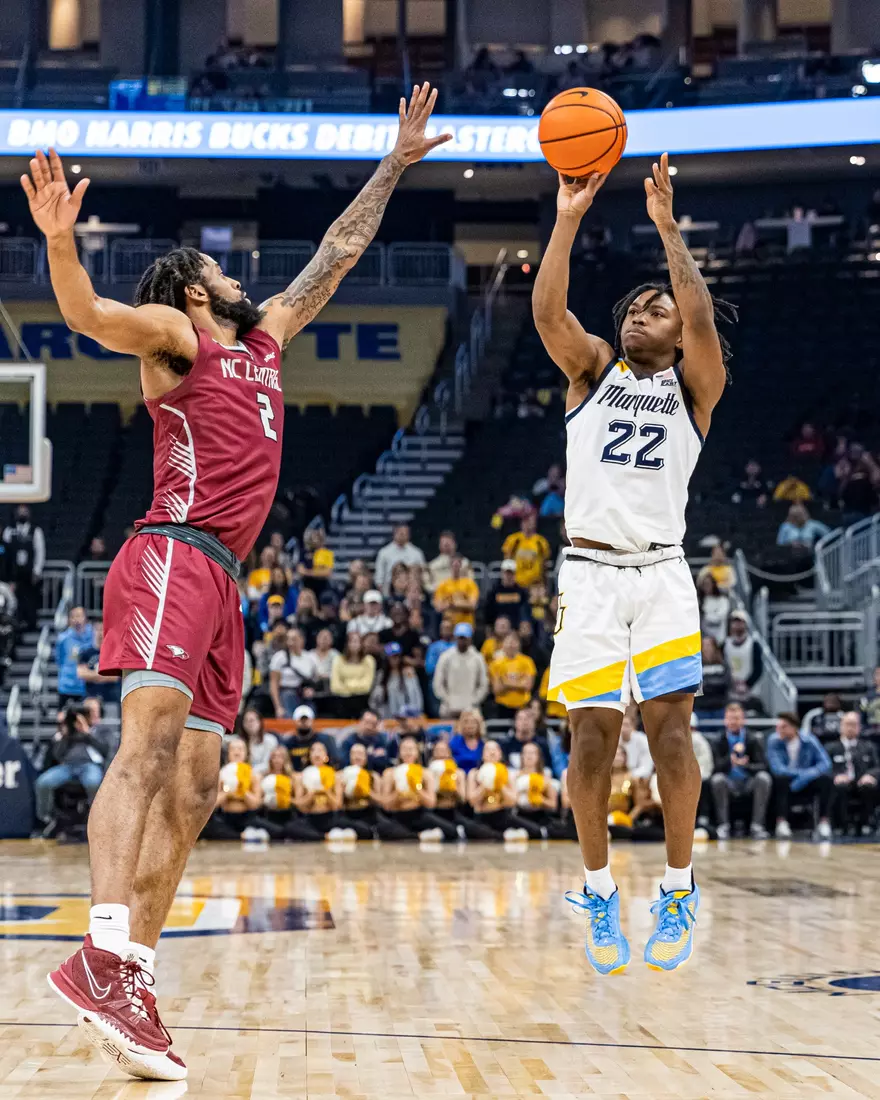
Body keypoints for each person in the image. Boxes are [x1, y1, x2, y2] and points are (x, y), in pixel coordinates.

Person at [26, 85, 451, 1079]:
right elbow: (88, 312)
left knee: (203, 781)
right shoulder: (177, 342)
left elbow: (336, 254)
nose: (236, 273)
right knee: (148, 747)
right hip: (171, 551)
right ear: (192, 292)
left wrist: (393, 164)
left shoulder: (263, 345)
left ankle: (130, 969)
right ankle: (96, 948)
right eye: (219, 268)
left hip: (224, 580)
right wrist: (58, 242)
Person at [535, 153, 738, 973]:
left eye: (654, 311)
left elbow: (696, 311)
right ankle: (598, 889)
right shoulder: (590, 372)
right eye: (633, 310)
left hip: (660, 573)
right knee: (592, 743)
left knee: (672, 736)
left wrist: (666, 229)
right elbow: (549, 311)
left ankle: (679, 887)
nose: (640, 317)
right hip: (587, 575)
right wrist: (568, 215)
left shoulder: (696, 390)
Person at [35, 705, 108, 827]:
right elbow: (57, 755)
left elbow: (104, 751)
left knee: (93, 783)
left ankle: (96, 818)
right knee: (42, 782)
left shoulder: (97, 731)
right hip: (67, 767)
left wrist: (86, 732)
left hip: (89, 766)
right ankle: (46, 818)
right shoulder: (66, 734)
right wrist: (65, 734)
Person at [709, 702, 771, 839]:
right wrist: (729, 761)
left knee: (764, 778)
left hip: (748, 781)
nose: (733, 722)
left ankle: (757, 826)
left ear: (743, 720)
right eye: (730, 718)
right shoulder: (718, 740)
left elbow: (763, 766)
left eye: (737, 718)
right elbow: (715, 767)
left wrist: (746, 766)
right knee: (717, 780)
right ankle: (723, 826)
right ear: (725, 720)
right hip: (728, 782)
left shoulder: (753, 739)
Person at [766, 712, 833, 840]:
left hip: (806, 781)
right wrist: (803, 774)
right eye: (778, 726)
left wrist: (806, 776)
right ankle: (782, 822)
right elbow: (778, 769)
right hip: (787, 781)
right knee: (781, 780)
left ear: (794, 727)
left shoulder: (809, 740)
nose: (778, 730)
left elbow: (826, 763)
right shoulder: (773, 741)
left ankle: (823, 822)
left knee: (826, 780)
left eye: (783, 727)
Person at [379, 735, 458, 840]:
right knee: (382, 829)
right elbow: (385, 805)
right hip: (398, 815)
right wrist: (398, 794)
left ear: (417, 752)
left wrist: (417, 788)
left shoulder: (425, 773)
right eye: (405, 749)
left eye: (411, 749)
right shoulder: (390, 773)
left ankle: (411, 835)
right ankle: (418, 836)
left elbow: (431, 803)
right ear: (399, 753)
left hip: (419, 814)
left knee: (451, 831)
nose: (408, 752)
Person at [826, 711, 879, 835]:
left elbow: (877, 766)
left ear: (859, 727)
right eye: (847, 724)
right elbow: (824, 767)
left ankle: (865, 824)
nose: (850, 728)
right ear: (841, 726)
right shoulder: (830, 747)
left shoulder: (869, 747)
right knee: (840, 787)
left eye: (854, 724)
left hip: (861, 782)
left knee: (869, 787)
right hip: (841, 783)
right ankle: (841, 825)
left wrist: (870, 775)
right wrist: (836, 776)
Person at [432, 623, 489, 719]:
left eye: (464, 638)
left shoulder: (478, 658)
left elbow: (484, 684)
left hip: (471, 707)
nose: (462, 641)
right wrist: (447, 699)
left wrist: (474, 701)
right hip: (449, 707)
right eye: (460, 638)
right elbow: (438, 683)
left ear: (470, 639)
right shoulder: (445, 657)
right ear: (455, 638)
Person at [2, 504, 45, 630]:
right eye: (20, 511)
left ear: (29, 513)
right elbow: (6, 554)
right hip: (14, 574)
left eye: (24, 511)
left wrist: (37, 571)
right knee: (15, 600)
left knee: (31, 599)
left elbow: (40, 552)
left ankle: (32, 623)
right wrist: (8, 576)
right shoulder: (9, 531)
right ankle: (16, 625)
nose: (22, 514)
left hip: (30, 573)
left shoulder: (36, 530)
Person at [268, 627, 317, 718]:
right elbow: (273, 684)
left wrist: (311, 689)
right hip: (286, 694)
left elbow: (313, 681)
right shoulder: (280, 657)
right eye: (288, 639)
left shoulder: (310, 658)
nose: (290, 643)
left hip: (304, 696)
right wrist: (278, 707)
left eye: (294, 639)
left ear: (302, 640)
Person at [76, 621, 122, 715]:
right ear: (93, 631)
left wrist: (92, 675)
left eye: (103, 629)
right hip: (90, 699)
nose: (100, 632)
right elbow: (81, 674)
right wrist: (104, 675)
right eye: (97, 629)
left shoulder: (114, 651)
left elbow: (115, 676)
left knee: (111, 726)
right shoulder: (86, 652)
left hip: (111, 699)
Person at [488, 633, 536, 720]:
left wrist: (506, 683)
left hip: (523, 705)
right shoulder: (496, 664)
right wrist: (519, 683)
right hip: (502, 707)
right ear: (503, 644)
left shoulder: (527, 661)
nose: (511, 645)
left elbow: (528, 686)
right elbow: (497, 689)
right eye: (508, 642)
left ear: (519, 644)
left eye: (514, 642)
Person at [330, 632, 376, 719]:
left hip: (361, 700)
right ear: (347, 644)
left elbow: (366, 687)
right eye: (351, 641)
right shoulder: (338, 659)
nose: (354, 644)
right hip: (341, 702)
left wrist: (346, 683)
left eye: (357, 641)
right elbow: (335, 687)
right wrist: (356, 684)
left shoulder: (369, 660)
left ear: (361, 644)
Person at [55, 607, 94, 708]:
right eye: (73, 616)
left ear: (85, 618)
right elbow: (59, 660)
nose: (76, 619)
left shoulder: (93, 636)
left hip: (87, 687)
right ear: (69, 619)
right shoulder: (63, 639)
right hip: (67, 686)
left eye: (79, 616)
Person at [501, 510, 551, 590]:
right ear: (522, 522)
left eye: (531, 521)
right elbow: (507, 561)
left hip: (535, 585)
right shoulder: (513, 540)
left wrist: (545, 584)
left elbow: (544, 564)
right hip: (517, 584)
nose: (529, 524)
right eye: (526, 521)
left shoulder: (541, 541)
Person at [281, 704, 338, 772]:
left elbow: (335, 762)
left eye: (306, 719)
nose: (304, 723)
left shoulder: (325, 740)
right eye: (301, 720)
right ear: (295, 721)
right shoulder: (288, 743)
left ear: (312, 720)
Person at [340, 709, 397, 774]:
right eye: (366, 722)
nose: (369, 727)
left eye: (373, 724)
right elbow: (344, 762)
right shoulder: (349, 741)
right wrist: (371, 756)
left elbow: (386, 762)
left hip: (376, 776)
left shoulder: (382, 740)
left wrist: (361, 758)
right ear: (360, 722)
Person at [723, 612, 763, 705]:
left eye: (740, 622)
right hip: (731, 692)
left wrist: (747, 684)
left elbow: (758, 669)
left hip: (751, 693)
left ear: (746, 624)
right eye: (734, 622)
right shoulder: (725, 644)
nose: (737, 625)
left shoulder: (753, 644)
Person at [374, 524, 426, 593]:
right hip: (389, 590)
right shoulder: (384, 552)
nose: (403, 535)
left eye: (405, 533)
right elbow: (379, 578)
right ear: (394, 533)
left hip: (412, 590)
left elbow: (423, 574)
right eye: (401, 533)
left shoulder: (417, 553)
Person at [432, 554, 479, 628]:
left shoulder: (470, 584)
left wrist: (452, 604)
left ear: (461, 566)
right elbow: (438, 607)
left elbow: (473, 605)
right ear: (450, 566)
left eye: (458, 565)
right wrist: (460, 603)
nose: (455, 568)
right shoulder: (443, 585)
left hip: (466, 623)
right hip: (448, 624)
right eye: (454, 565)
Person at [499, 707, 551, 771]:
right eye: (520, 719)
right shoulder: (505, 744)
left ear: (534, 722)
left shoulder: (542, 744)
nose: (524, 722)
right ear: (515, 722)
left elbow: (548, 768)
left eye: (528, 718)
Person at [484, 560, 530, 627]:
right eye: (507, 573)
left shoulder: (522, 592)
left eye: (511, 573)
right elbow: (488, 614)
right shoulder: (494, 592)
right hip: (497, 629)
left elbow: (525, 613)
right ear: (502, 573)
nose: (509, 576)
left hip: (516, 629)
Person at [694, 636, 731, 719]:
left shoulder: (723, 664)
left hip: (720, 707)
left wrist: (707, 683)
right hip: (701, 708)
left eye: (709, 645)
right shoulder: (696, 666)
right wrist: (715, 684)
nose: (707, 648)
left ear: (714, 647)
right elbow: (697, 687)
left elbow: (726, 683)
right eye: (704, 645)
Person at [238, 707, 278, 774]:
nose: (249, 723)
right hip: (243, 775)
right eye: (246, 721)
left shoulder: (270, 740)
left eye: (251, 720)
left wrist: (249, 771)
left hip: (264, 776)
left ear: (259, 722)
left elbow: (267, 765)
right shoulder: (239, 741)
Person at [449, 709, 486, 773]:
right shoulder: (454, 742)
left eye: (473, 722)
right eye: (466, 722)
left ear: (479, 724)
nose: (470, 725)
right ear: (462, 724)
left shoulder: (484, 743)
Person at [696, 574, 730, 647]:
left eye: (708, 584)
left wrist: (705, 614)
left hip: (719, 638)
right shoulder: (699, 601)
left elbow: (719, 617)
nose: (706, 587)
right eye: (704, 584)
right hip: (704, 640)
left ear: (713, 584)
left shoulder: (722, 600)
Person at [859, 666, 880, 733]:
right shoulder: (867, 696)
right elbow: (863, 715)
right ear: (874, 678)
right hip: (871, 731)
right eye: (878, 674)